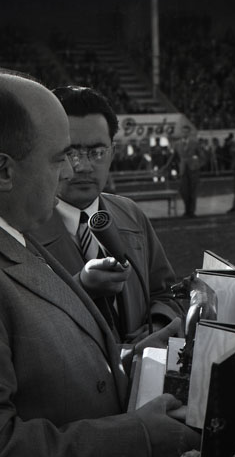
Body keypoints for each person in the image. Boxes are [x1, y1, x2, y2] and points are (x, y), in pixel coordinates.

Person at [0, 66, 200, 457]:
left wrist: (134, 359)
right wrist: (138, 436)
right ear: (3, 171)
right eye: (58, 157)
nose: (72, 171)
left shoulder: (8, 235)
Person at [32, 85, 183, 345]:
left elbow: (166, 293)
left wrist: (157, 326)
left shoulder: (131, 215)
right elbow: (21, 330)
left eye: (97, 152)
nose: (84, 166)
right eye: (70, 152)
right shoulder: (22, 231)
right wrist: (80, 287)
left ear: (113, 151)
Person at [172, 124, 203, 218]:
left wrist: (197, 165)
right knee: (184, 191)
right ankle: (187, 210)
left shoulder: (195, 143)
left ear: (189, 133)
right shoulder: (177, 144)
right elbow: (173, 157)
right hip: (183, 169)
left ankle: (191, 211)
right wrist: (176, 167)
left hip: (193, 169)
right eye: (183, 132)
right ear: (181, 133)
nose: (184, 134)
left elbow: (202, 156)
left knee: (193, 191)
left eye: (186, 132)